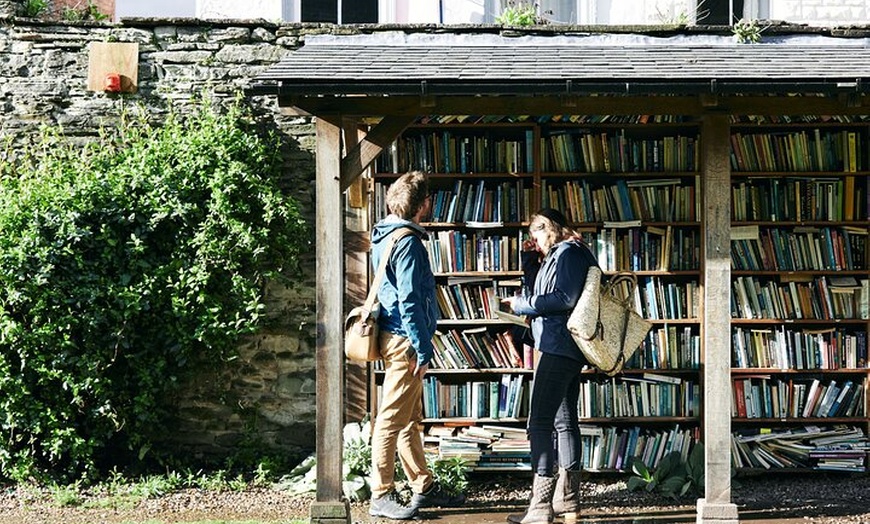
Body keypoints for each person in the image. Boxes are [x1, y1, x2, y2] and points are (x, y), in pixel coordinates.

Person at [368, 171, 466, 520]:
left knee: (410, 419)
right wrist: (422, 348)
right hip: (405, 340)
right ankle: (381, 493)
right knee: (391, 420)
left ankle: (423, 485)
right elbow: (409, 299)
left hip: (393, 334)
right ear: (423, 204)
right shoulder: (407, 241)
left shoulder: (383, 235)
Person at [501, 208, 598, 524]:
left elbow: (564, 298)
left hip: (559, 347)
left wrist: (520, 305)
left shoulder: (570, 252)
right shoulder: (560, 254)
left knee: (539, 420)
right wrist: (530, 264)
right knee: (563, 419)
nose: (536, 241)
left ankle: (541, 507)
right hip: (561, 346)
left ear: (553, 228)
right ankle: (567, 502)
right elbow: (542, 293)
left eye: (537, 234)